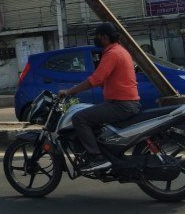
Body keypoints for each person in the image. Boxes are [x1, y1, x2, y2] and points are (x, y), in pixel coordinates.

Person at [58, 22, 141, 174]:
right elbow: (103, 80)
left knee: (79, 118)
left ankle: (97, 158)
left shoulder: (112, 53)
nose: (95, 40)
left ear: (104, 37)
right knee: (93, 119)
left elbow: (95, 79)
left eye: (97, 36)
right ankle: (105, 154)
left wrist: (70, 91)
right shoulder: (120, 51)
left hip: (121, 105)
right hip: (125, 102)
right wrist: (79, 90)